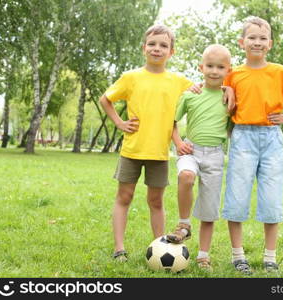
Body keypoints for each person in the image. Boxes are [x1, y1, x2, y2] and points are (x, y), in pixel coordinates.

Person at [222, 16, 283, 274]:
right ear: (242, 42)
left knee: (271, 198)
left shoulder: (280, 72)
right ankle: (238, 255)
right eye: (252, 38)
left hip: (271, 137)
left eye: (263, 38)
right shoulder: (233, 74)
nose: (257, 42)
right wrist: (224, 90)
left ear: (270, 44)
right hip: (242, 137)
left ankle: (269, 257)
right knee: (237, 196)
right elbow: (214, 88)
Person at [99, 25, 194, 262]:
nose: (157, 49)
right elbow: (105, 99)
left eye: (163, 45)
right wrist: (120, 123)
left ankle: (160, 248)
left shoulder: (178, 81)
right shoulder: (131, 78)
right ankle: (119, 248)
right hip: (132, 149)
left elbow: (203, 92)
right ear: (144, 48)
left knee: (156, 201)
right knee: (124, 196)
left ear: (171, 52)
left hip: (159, 152)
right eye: (152, 44)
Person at [166, 44, 233, 271]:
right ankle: (184, 225)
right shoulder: (190, 95)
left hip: (215, 155)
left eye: (220, 67)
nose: (214, 71)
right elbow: (172, 123)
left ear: (228, 70)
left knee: (209, 208)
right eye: (210, 66)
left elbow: (234, 125)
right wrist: (178, 143)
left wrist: (231, 90)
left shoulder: (229, 98)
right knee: (185, 176)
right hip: (191, 150)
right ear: (201, 67)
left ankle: (203, 255)